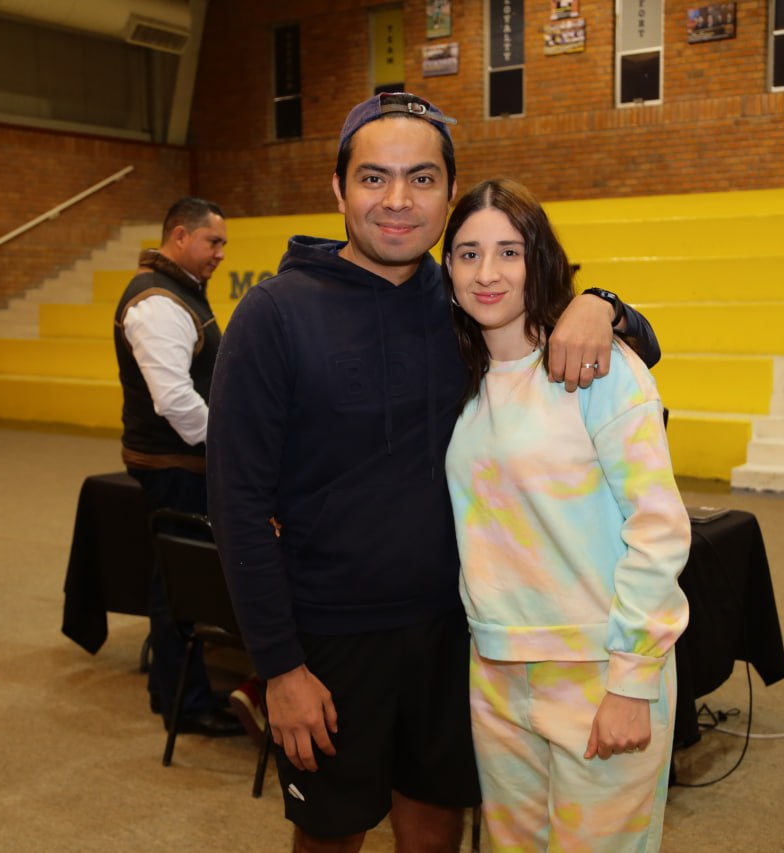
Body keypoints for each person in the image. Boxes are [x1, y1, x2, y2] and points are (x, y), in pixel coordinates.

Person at [205, 92, 660, 852]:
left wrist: (603, 304)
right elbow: (236, 503)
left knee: (435, 834)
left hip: (459, 633)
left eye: (421, 179)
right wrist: (279, 666)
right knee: (330, 836)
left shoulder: (464, 301)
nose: (397, 200)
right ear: (338, 189)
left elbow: (627, 344)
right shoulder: (274, 314)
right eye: (373, 177)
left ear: (449, 195)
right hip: (330, 637)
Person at [441, 178, 690, 851]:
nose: (487, 273)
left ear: (540, 261)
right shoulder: (459, 379)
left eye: (509, 252)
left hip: (598, 668)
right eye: (467, 254)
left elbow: (659, 529)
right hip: (496, 668)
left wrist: (632, 680)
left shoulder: (599, 368)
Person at [113, 197, 261, 739]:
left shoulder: (178, 290)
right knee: (180, 586)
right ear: (179, 236)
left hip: (180, 461)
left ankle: (175, 690)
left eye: (223, 244)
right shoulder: (158, 302)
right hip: (175, 465)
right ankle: (185, 703)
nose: (220, 253)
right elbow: (175, 400)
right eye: (212, 241)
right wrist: (230, 448)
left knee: (174, 581)